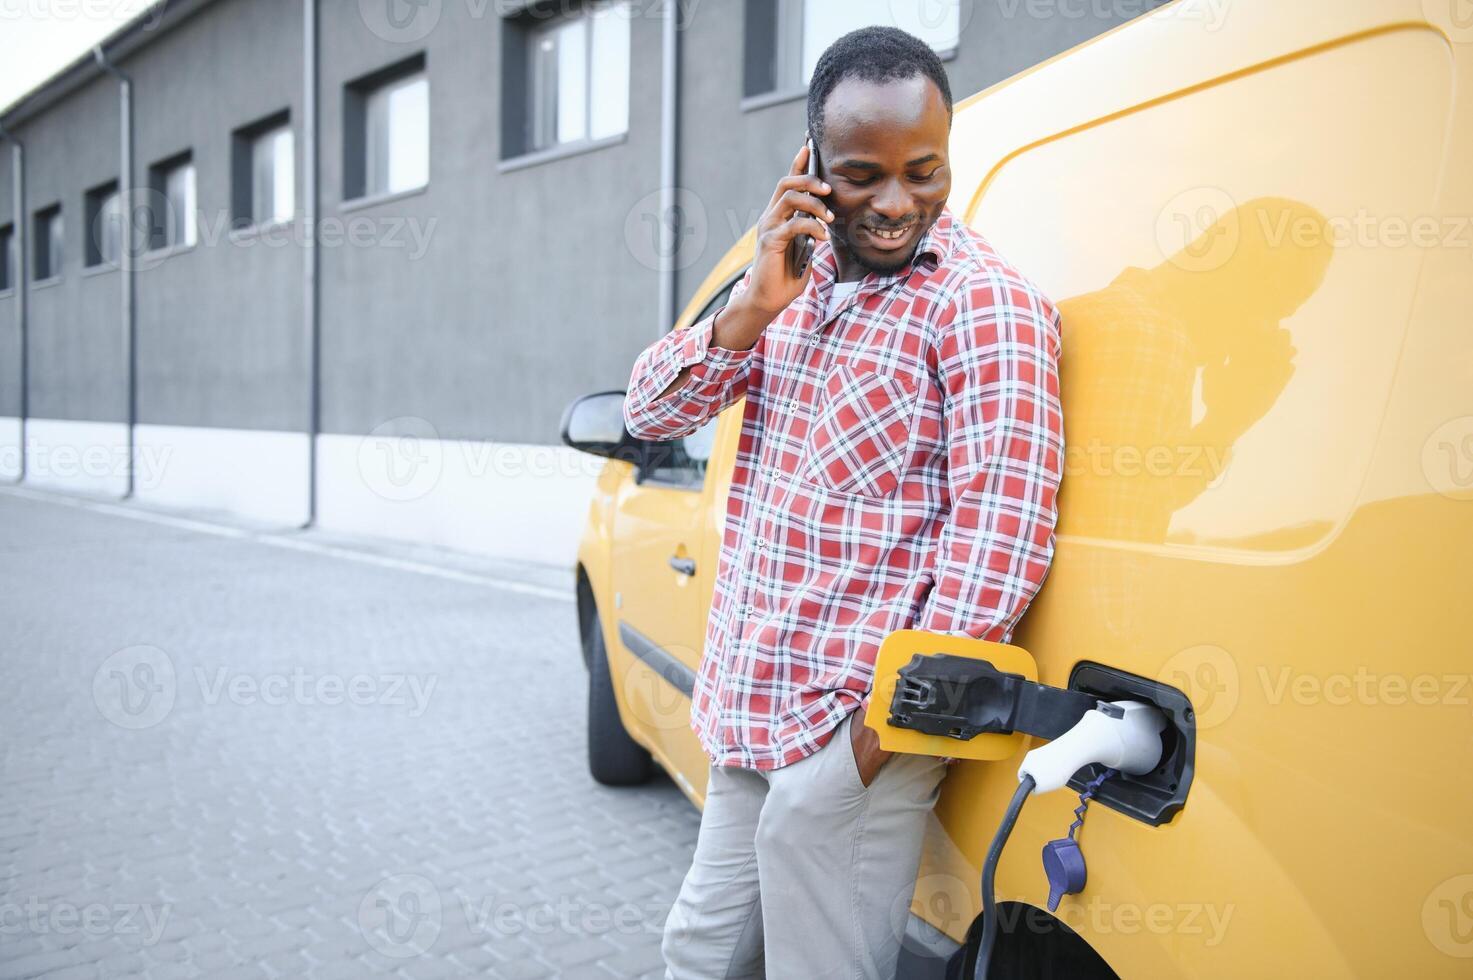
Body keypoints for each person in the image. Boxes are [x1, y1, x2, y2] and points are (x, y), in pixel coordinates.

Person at [622, 25, 1065, 979]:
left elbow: (998, 542)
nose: (899, 202)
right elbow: (649, 409)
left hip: (855, 731)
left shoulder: (984, 307)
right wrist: (748, 306)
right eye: (863, 174)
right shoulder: (790, 283)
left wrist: (868, 746)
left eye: (925, 170)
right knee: (697, 954)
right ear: (810, 164)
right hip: (752, 707)